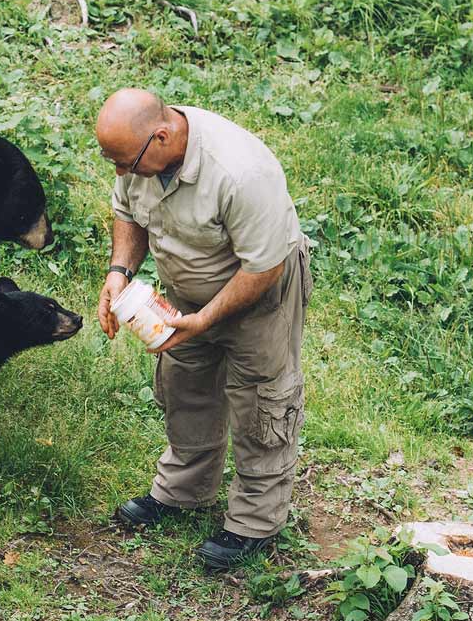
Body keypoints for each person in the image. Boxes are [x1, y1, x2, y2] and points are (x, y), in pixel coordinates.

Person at [94, 89, 311, 569]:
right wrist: (119, 273)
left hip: (260, 288)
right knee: (184, 383)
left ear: (163, 135)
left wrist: (207, 319)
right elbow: (128, 214)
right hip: (185, 288)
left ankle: (255, 521)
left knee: (261, 398)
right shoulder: (139, 159)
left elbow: (263, 266)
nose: (120, 173)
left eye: (126, 162)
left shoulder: (240, 172)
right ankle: (184, 490)